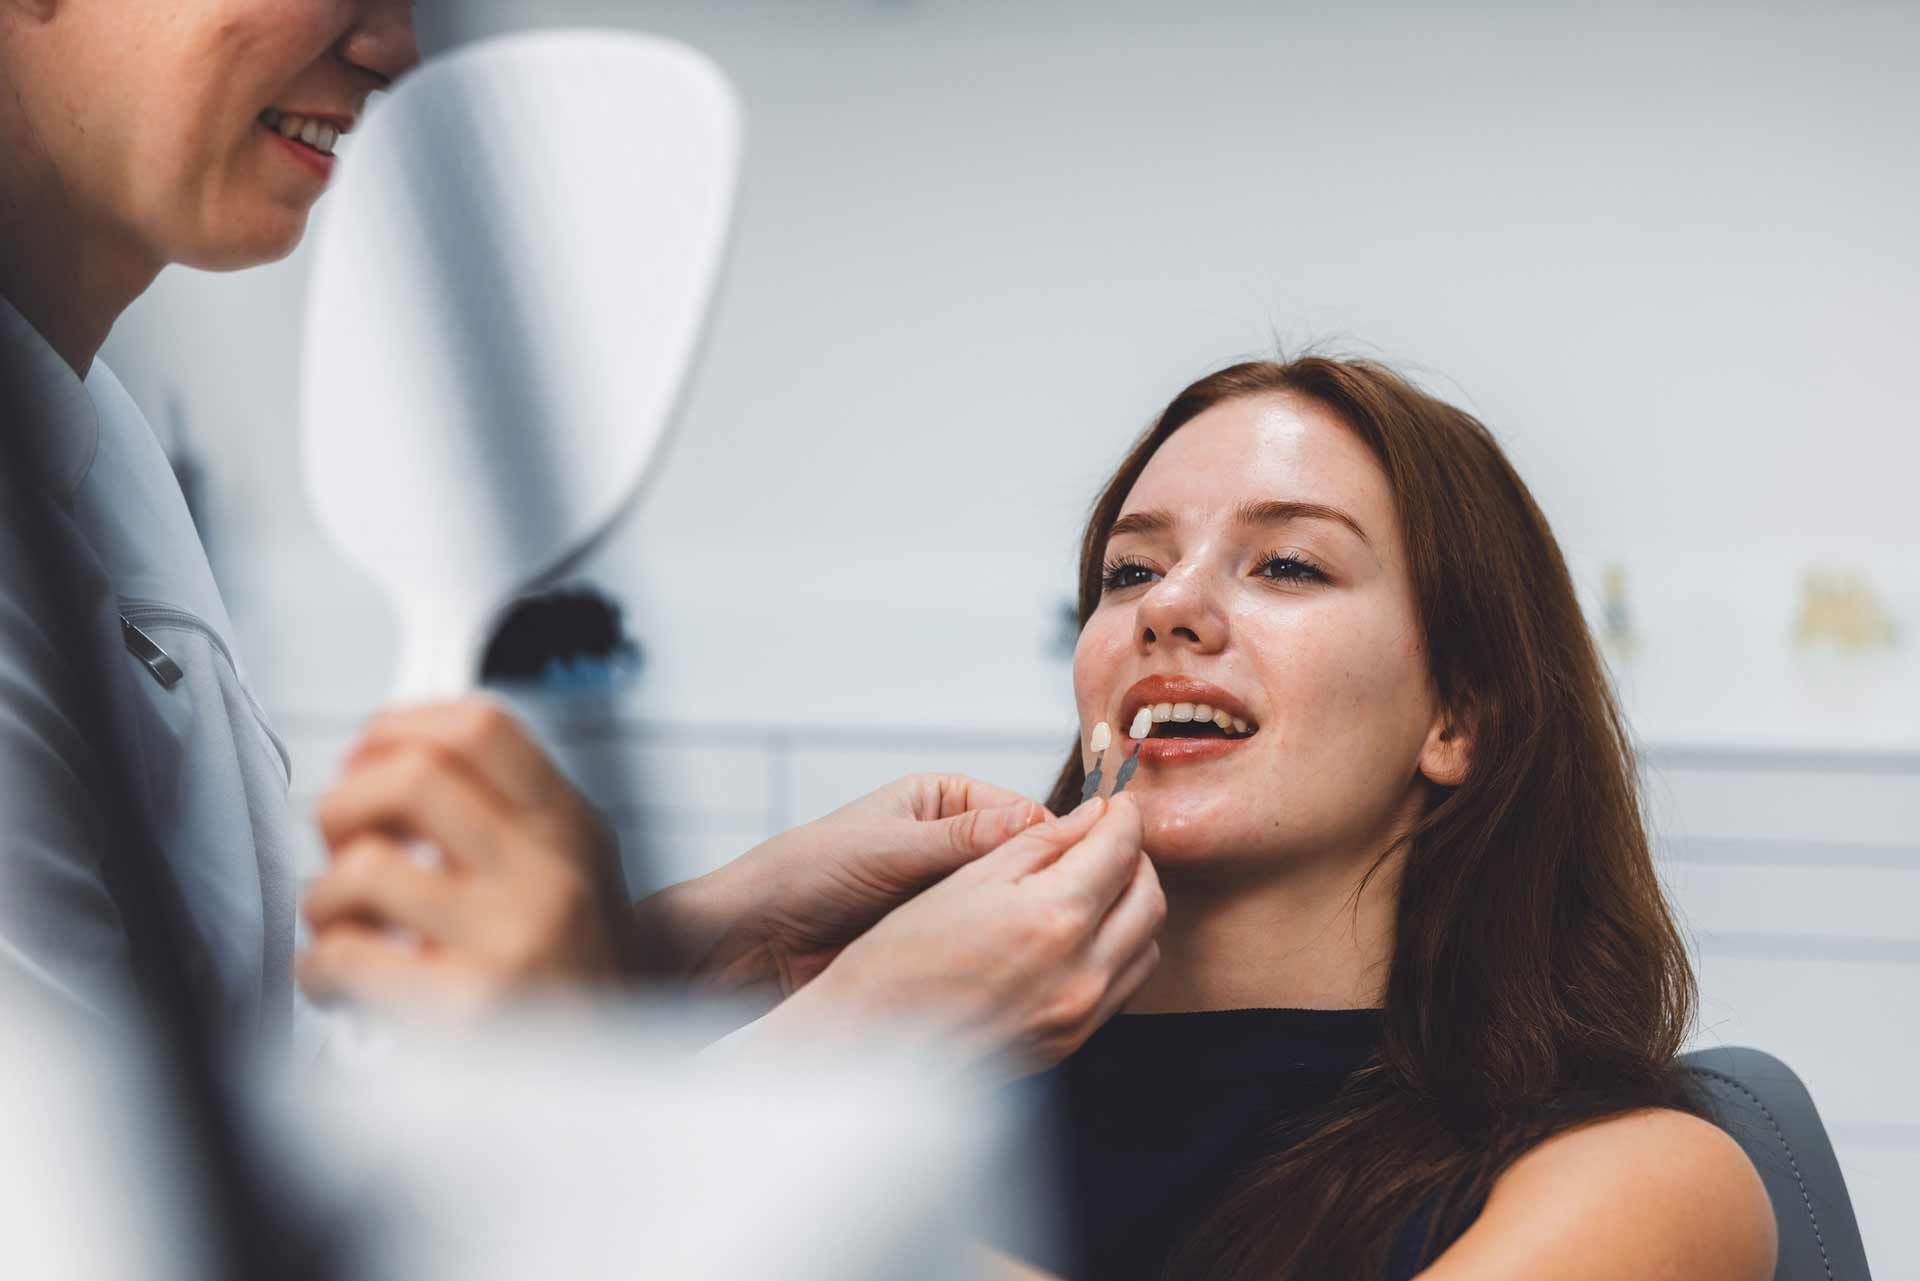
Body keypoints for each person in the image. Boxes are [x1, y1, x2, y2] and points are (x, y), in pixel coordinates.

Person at [303, 356, 1780, 1280]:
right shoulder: (894, 1071)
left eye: (1288, 569)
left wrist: (799, 1108)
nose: (1173, 611)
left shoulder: (1637, 1182)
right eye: (1129, 575)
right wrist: (708, 957)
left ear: (1461, 716)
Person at [0, 0, 1160, 1073]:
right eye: (1133, 565)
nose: (394, 48)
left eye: (1292, 564)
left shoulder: (94, 437)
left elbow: (270, 1077)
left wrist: (693, 939)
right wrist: (867, 1034)